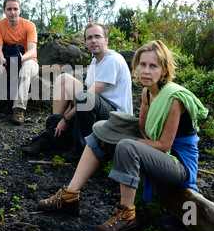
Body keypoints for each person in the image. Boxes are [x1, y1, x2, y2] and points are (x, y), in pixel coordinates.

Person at [37, 40, 208, 231]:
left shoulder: (174, 99)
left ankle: (127, 214)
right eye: (142, 65)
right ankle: (70, 196)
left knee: (127, 146)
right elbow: (143, 129)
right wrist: (113, 131)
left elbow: (163, 144)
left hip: (179, 164)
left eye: (153, 66)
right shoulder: (147, 92)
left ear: (164, 69)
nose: (146, 71)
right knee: (101, 132)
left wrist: (126, 143)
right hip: (159, 154)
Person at [23, 22, 133, 162]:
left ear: (106, 40)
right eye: (89, 38)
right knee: (64, 79)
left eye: (97, 36)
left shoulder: (112, 60)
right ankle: (52, 135)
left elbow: (88, 96)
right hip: (95, 111)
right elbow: (80, 94)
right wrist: (60, 122)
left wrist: (67, 118)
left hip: (117, 119)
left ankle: (81, 149)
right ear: (86, 43)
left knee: (86, 96)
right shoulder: (94, 61)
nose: (93, 40)